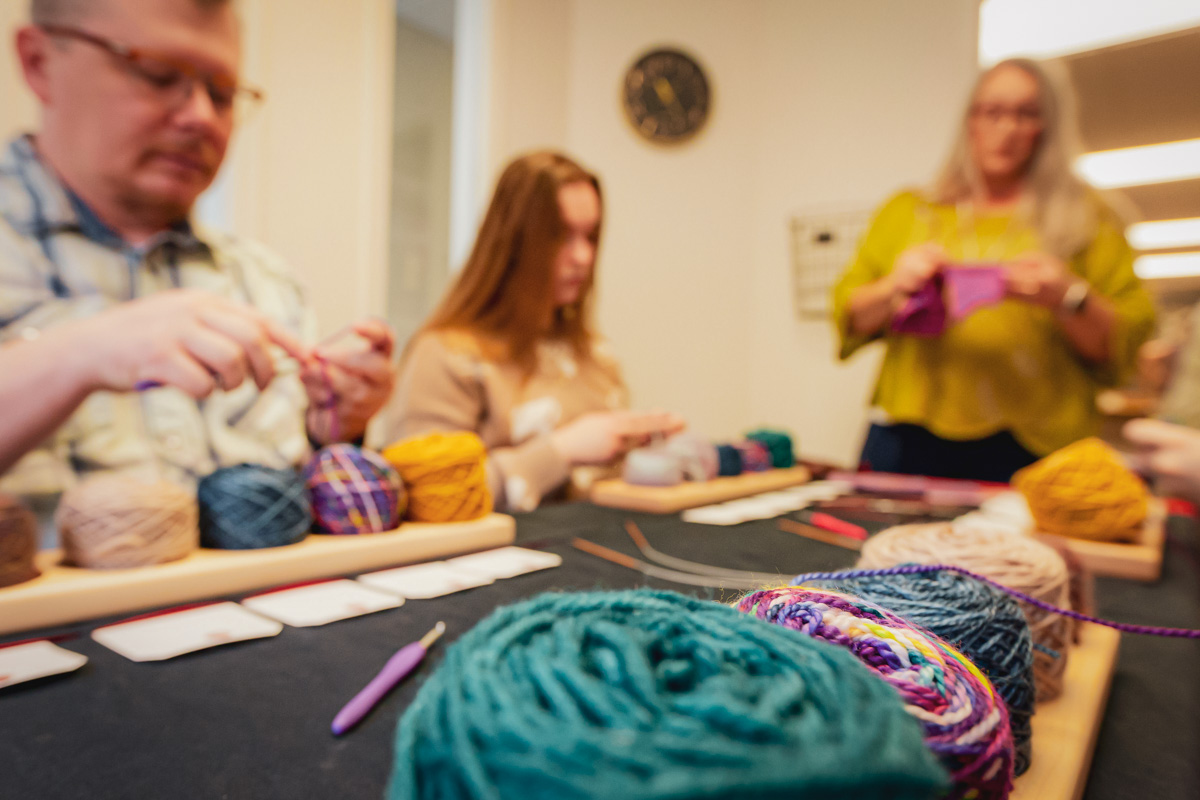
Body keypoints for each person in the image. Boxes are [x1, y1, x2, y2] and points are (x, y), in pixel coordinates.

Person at [0, 0, 394, 499]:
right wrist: (79, 354)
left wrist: (332, 428)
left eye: (223, 93)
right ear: (39, 62)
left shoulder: (268, 284)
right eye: (158, 75)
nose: (201, 117)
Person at [832, 58, 1155, 483]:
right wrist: (895, 286)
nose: (1007, 129)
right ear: (971, 121)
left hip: (1037, 444)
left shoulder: (1090, 218)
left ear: (1048, 125)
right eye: (993, 112)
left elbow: (1122, 346)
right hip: (912, 438)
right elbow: (849, 314)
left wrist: (1067, 296)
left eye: (1026, 114)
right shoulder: (911, 211)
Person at [385, 151, 683, 512]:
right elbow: (427, 496)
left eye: (590, 236)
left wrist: (647, 445)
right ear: (513, 243)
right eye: (562, 237)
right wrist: (561, 451)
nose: (584, 257)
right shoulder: (445, 356)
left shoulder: (593, 352)